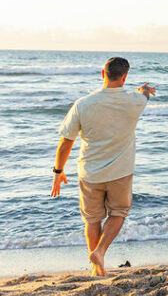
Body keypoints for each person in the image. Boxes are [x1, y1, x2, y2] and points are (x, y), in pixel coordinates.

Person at [50, 57, 155, 276]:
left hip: (90, 173)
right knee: (118, 213)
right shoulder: (135, 101)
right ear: (125, 77)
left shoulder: (83, 104)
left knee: (92, 219)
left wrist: (58, 172)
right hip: (120, 172)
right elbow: (144, 96)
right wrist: (143, 88)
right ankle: (100, 251)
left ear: (102, 74)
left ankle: (97, 267)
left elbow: (66, 141)